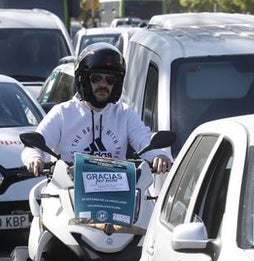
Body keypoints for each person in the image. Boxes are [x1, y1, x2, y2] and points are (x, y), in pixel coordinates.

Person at [22, 42, 173, 175]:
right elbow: (34, 145)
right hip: (66, 191)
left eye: (110, 80)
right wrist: (35, 157)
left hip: (117, 191)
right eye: (96, 78)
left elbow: (144, 140)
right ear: (84, 80)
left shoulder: (124, 113)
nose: (103, 84)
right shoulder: (62, 113)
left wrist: (159, 155)